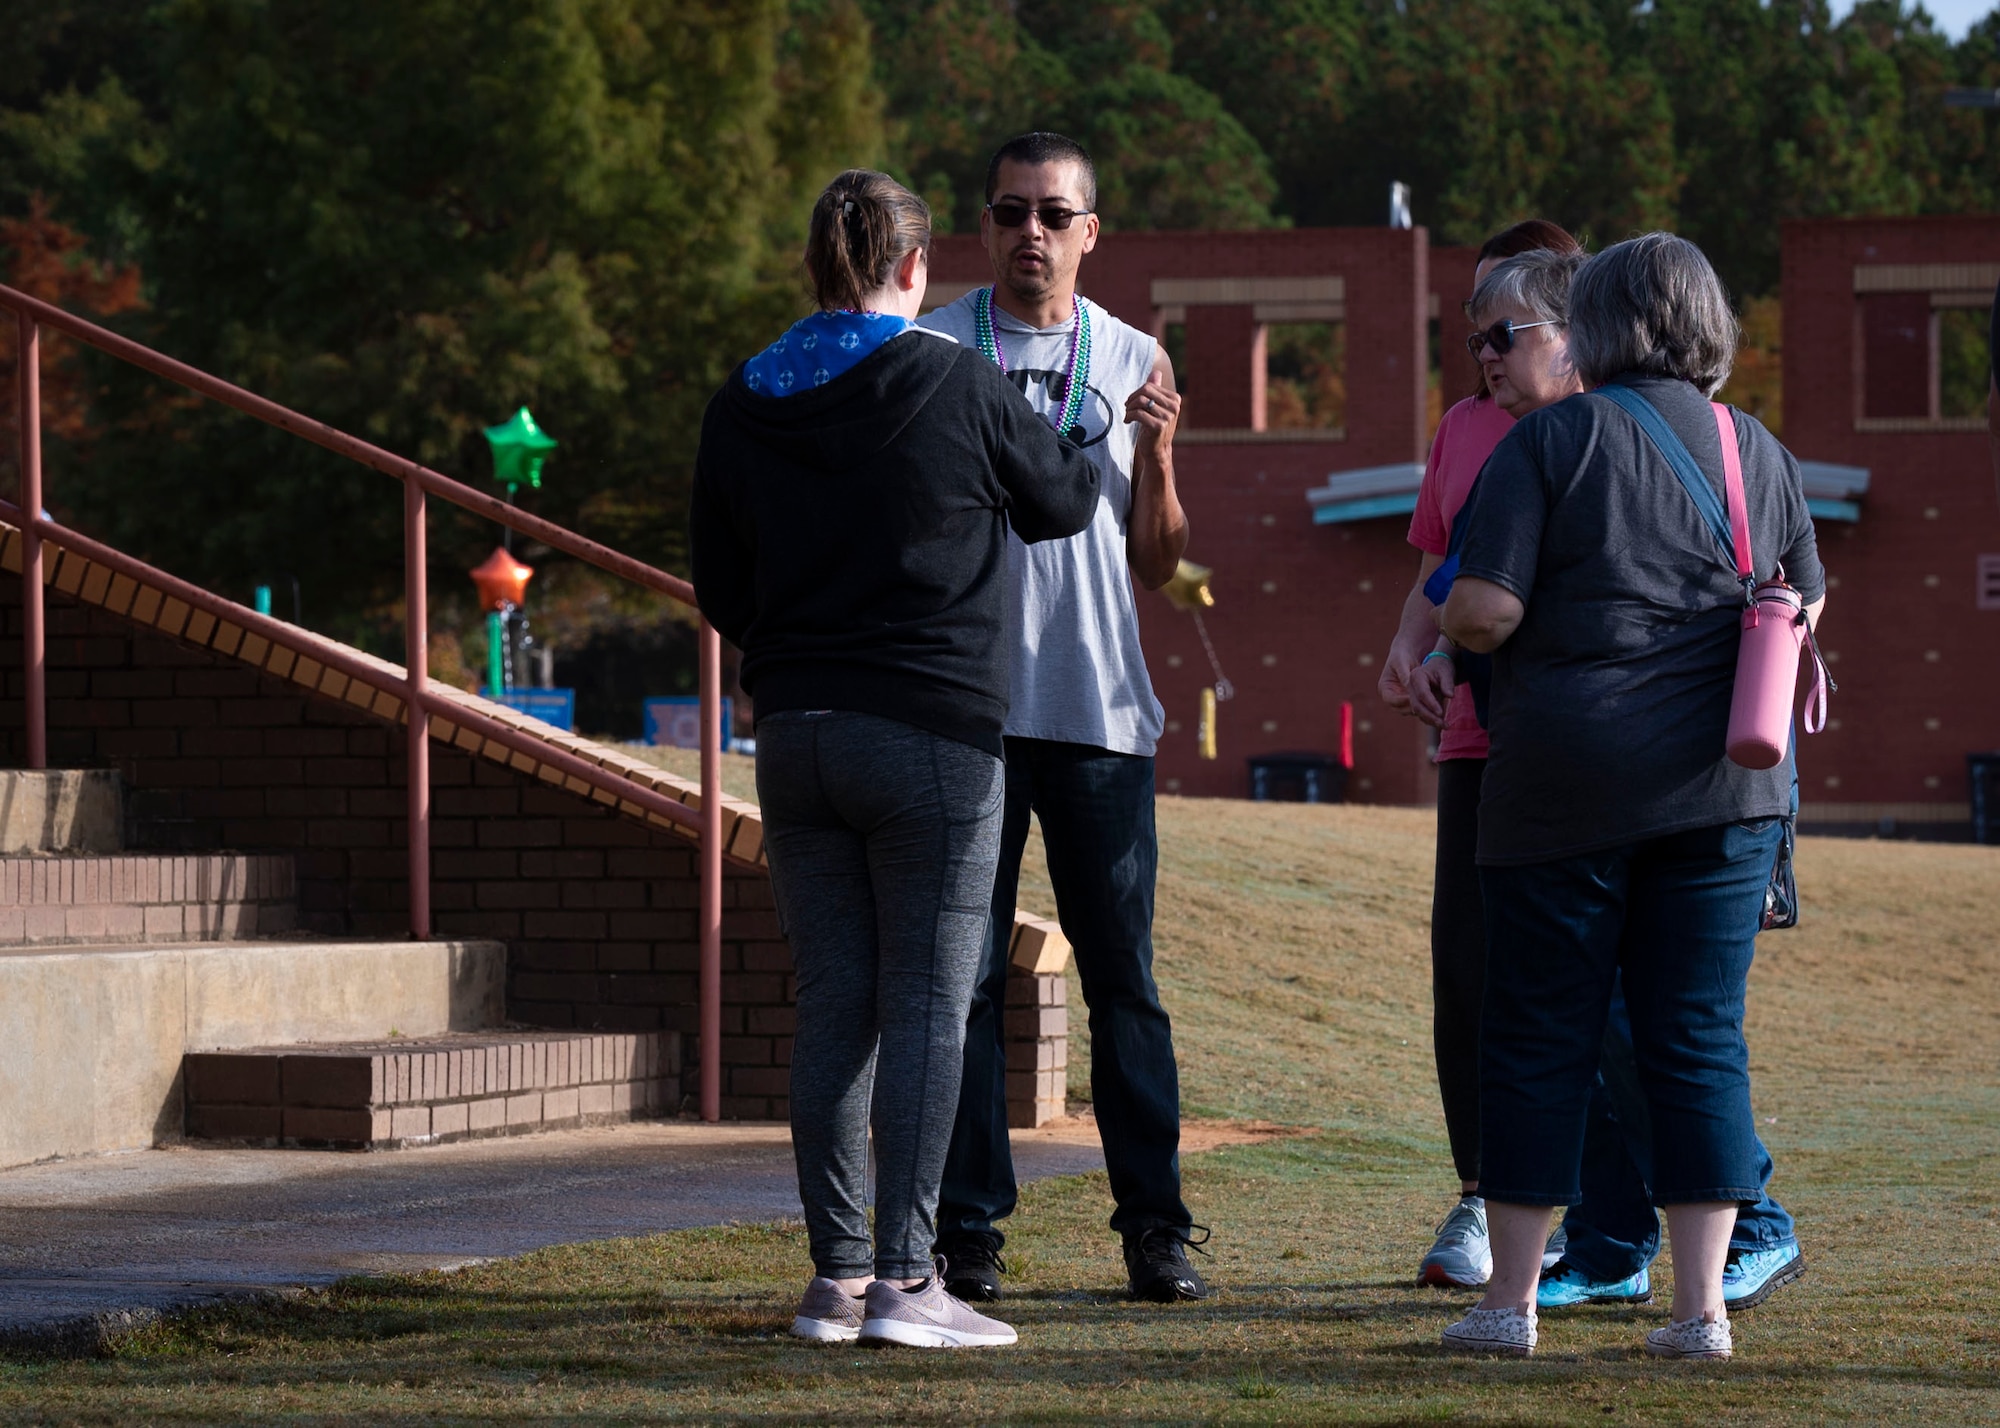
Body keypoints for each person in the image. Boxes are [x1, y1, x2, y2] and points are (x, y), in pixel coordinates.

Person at [690, 168, 1100, 1348]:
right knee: (926, 1001)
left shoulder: (744, 395)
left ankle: (835, 1278)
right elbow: (1062, 501)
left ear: (815, 262)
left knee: (834, 1004)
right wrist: (1085, 427)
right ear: (914, 270)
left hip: (798, 736)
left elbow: (720, 583)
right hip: (930, 733)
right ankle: (912, 1285)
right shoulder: (949, 376)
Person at [1389, 235, 1809, 1317]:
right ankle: (1699, 1312)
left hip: (1565, 788)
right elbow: (1802, 596)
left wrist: (1470, 645)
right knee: (1694, 1038)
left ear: (1598, 325)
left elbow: (1479, 608)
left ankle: (1510, 1304)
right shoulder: (1750, 443)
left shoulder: (1550, 442)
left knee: (1537, 1034)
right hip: (1725, 790)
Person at [920, 132, 1206, 1305]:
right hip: (967, 712)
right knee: (968, 981)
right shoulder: (932, 347)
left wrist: (1167, 452)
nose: (1028, 233)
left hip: (1094, 713)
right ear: (981, 231)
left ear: (1091, 231)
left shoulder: (1131, 356)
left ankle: (1156, 1233)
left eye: (1052, 213)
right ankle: (969, 1236)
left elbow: (1160, 564)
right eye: (1007, 213)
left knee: (1122, 984)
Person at [1381, 219, 1584, 1289]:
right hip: (1471, 743)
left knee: (1573, 978)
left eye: (1500, 329)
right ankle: (1480, 1194)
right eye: (1470, 333)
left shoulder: (1603, 428)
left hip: (1573, 746)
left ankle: (1593, 1206)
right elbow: (1435, 562)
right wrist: (1402, 653)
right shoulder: (1462, 428)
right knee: (1464, 974)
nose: (1483, 353)